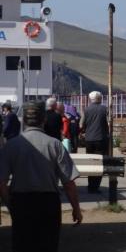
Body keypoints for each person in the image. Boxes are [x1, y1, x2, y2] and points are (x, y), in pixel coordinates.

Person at [0, 101, 82, 252]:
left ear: (23, 120)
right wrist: (76, 208)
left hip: (21, 202)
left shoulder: (11, 146)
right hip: (48, 203)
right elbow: (69, 183)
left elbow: (1, 183)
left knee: (22, 245)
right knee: (47, 244)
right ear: (43, 120)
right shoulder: (55, 145)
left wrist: (10, 205)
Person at [80, 91, 109, 193]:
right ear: (100, 98)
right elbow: (108, 122)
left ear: (90, 99)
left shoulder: (86, 110)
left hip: (89, 140)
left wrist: (85, 131)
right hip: (101, 139)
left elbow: (81, 125)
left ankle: (90, 185)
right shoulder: (104, 109)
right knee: (99, 164)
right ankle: (95, 187)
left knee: (90, 163)